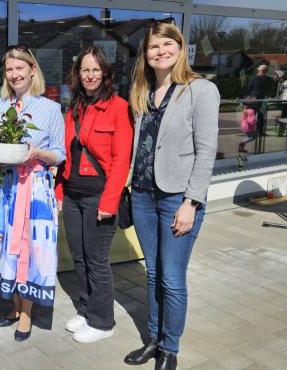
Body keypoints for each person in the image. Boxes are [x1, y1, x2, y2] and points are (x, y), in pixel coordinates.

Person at [124, 22, 219, 370]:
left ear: (180, 48)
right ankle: (153, 339)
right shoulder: (143, 91)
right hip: (144, 195)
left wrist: (191, 203)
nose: (160, 51)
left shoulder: (200, 90)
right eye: (153, 47)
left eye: (167, 44)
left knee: (171, 278)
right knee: (152, 274)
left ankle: (170, 349)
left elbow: (207, 151)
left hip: (177, 198)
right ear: (145, 55)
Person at [0, 45, 65, 342]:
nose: (15, 74)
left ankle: (28, 312)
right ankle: (15, 306)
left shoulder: (50, 108)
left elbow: (60, 153)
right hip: (4, 189)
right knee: (6, 246)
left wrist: (37, 152)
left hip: (33, 190)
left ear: (33, 70)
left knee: (29, 248)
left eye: (20, 68)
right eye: (9, 69)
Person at [55, 45, 133, 344]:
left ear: (105, 73)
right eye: (84, 70)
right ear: (78, 74)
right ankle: (86, 309)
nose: (89, 75)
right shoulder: (74, 107)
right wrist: (60, 191)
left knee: (97, 260)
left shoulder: (119, 107)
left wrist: (109, 202)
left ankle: (103, 322)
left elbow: (121, 160)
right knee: (79, 258)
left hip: (99, 196)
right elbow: (67, 156)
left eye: (95, 70)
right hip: (73, 196)